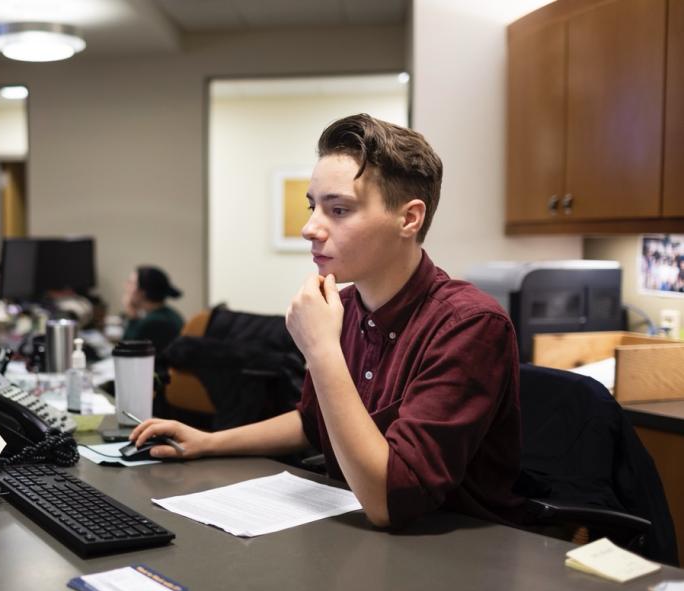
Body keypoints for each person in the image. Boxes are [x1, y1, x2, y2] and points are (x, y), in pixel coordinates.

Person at [130, 114, 525, 529]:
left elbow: (392, 499)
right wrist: (209, 442)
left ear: (409, 219)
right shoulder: (346, 305)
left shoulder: (470, 325)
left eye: (338, 209)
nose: (309, 228)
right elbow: (313, 423)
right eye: (312, 206)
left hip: (456, 554)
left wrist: (321, 351)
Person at [122, 266, 185, 355]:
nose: (125, 286)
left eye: (131, 283)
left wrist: (131, 315)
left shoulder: (154, 322)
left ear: (142, 292)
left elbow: (125, 354)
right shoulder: (167, 314)